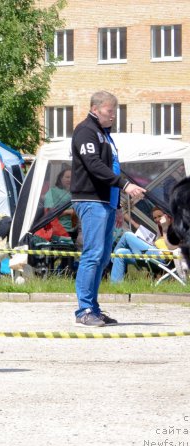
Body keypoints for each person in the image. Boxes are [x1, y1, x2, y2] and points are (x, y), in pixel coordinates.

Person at [71, 91, 147, 327]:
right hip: (91, 199)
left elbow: (111, 168)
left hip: (106, 201)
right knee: (92, 255)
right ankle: (83, 310)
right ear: (95, 109)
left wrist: (117, 206)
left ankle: (93, 307)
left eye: (115, 111)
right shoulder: (85, 131)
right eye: (109, 111)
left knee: (103, 257)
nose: (113, 116)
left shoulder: (104, 135)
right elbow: (94, 166)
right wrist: (125, 185)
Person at [110, 207, 177, 283]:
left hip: (162, 257)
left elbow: (172, 248)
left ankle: (111, 260)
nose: (157, 219)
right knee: (120, 252)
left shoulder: (176, 227)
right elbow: (160, 242)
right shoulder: (160, 226)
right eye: (155, 218)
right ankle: (116, 287)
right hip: (154, 253)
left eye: (160, 216)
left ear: (167, 215)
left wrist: (165, 229)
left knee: (127, 235)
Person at [43, 168, 76, 236]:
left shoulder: (78, 193)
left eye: (72, 177)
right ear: (61, 179)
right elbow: (49, 214)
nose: (69, 179)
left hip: (77, 229)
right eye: (67, 177)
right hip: (60, 230)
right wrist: (68, 212)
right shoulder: (52, 192)